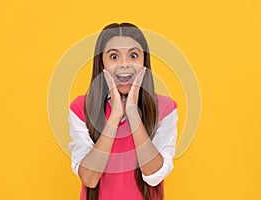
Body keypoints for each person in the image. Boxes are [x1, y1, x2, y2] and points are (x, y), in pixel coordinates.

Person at [68, 22, 178, 200]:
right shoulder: (80, 108)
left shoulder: (165, 109)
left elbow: (154, 175)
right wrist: (115, 116)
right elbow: (89, 179)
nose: (124, 64)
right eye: (114, 57)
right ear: (101, 63)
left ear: (144, 62)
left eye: (133, 55)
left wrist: (133, 114)